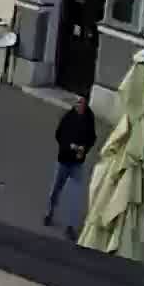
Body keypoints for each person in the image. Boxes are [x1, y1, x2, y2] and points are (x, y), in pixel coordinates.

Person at [44, 94, 97, 237]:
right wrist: (70, 146)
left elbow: (92, 138)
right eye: (77, 103)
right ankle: (49, 213)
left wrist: (84, 149)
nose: (79, 106)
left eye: (82, 103)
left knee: (74, 195)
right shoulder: (68, 117)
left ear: (86, 104)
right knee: (56, 188)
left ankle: (71, 226)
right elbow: (59, 135)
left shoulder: (89, 119)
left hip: (77, 164)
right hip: (64, 160)